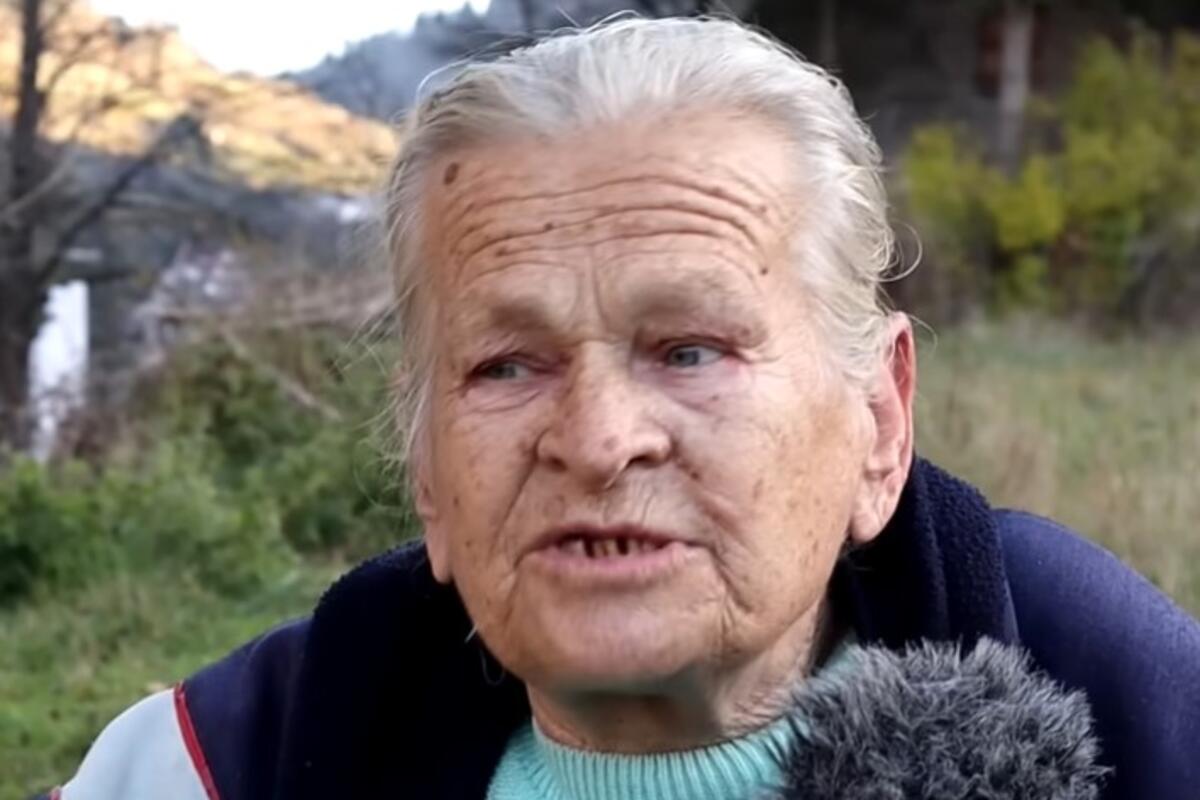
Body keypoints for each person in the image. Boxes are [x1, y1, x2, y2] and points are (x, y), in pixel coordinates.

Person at [43, 16, 1200, 800]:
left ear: (879, 424)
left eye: (690, 350)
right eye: (507, 365)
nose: (598, 440)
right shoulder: (210, 764)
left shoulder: (1146, 725)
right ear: (429, 472)